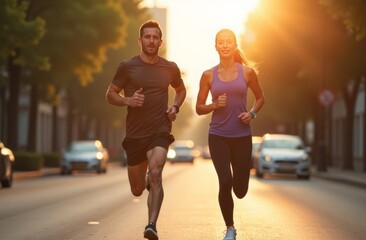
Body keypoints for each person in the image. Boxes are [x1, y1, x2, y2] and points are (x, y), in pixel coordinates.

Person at [105, 20, 186, 240]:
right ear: (140, 40)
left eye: (155, 37)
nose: (151, 41)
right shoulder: (127, 66)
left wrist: (175, 107)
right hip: (135, 135)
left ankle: (152, 225)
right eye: (147, 37)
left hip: (160, 129)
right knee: (137, 190)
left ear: (161, 41)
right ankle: (147, 181)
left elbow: (180, 90)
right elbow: (110, 94)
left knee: (157, 172)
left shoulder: (170, 67)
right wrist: (128, 101)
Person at [195, 28, 265, 240]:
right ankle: (230, 228)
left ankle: (239, 184)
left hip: (242, 136)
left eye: (229, 42)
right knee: (225, 181)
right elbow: (198, 107)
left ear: (234, 46)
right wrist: (214, 105)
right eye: (221, 42)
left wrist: (251, 113)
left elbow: (261, 98)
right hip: (218, 136)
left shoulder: (247, 73)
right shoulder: (208, 75)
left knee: (240, 190)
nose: (225, 45)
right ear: (215, 46)